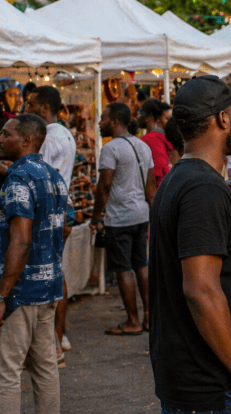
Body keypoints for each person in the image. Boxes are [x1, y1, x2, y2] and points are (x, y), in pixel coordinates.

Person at [148, 76, 231, 413]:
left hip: (202, 381)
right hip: (214, 386)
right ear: (222, 118)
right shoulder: (203, 189)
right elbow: (200, 290)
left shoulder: (183, 179)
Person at [0, 114, 69, 414]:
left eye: (6, 134)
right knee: (45, 368)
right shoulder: (53, 176)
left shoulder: (20, 178)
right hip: (47, 289)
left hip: (19, 294)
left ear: (26, 140)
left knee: (6, 373)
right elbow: (63, 225)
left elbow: (20, 241)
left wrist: (0, 297)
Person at [91, 102, 157, 336]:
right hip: (141, 214)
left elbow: (104, 186)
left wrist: (95, 216)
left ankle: (133, 321)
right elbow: (151, 187)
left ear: (115, 122)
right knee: (141, 264)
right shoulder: (143, 146)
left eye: (103, 118)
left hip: (120, 218)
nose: (100, 123)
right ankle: (149, 317)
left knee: (123, 269)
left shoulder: (110, 149)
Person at [25, 86, 77, 367]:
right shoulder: (63, 133)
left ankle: (53, 342)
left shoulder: (49, 136)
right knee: (55, 270)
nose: (26, 108)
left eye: (31, 104)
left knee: (50, 273)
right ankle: (58, 337)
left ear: (44, 108)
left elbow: (38, 176)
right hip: (61, 205)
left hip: (50, 208)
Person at [138, 99, 174, 185]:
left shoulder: (151, 139)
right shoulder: (155, 139)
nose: (168, 122)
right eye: (166, 118)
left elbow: (156, 174)